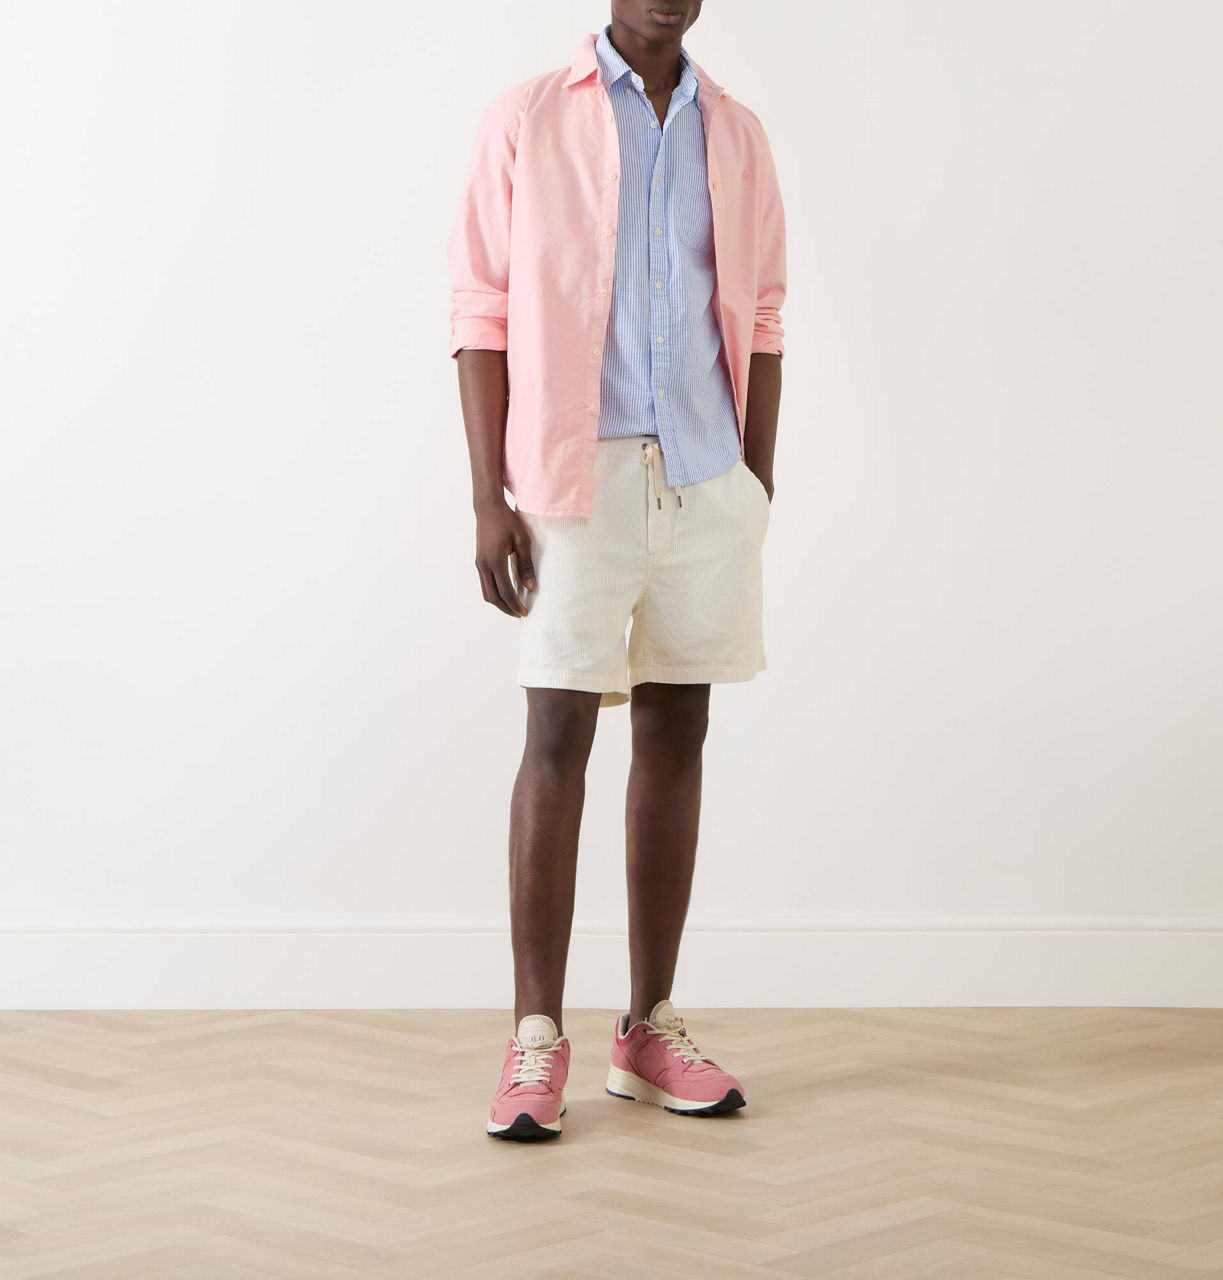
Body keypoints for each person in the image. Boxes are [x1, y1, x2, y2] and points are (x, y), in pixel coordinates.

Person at [447, 0, 786, 1141]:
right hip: (571, 478)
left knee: (676, 734)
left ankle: (647, 1030)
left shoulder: (734, 133)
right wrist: (489, 495)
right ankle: (534, 1037)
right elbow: (480, 308)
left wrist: (755, 482)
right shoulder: (528, 118)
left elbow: (764, 314)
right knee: (556, 736)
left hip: (702, 475)